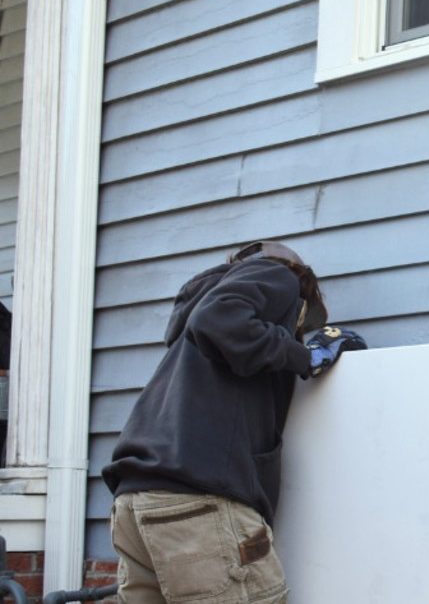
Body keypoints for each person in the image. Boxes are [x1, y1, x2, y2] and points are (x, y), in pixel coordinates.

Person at [102, 241, 367, 604]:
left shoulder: (188, 352)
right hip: (197, 503)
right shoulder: (280, 276)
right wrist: (306, 356)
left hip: (135, 503)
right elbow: (218, 318)